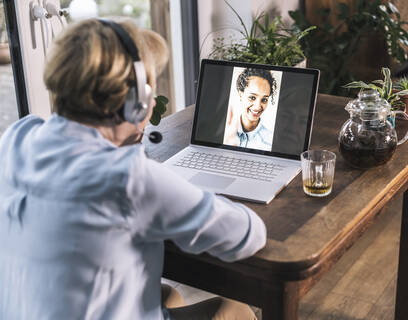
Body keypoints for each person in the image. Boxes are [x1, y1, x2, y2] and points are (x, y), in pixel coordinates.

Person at [0, 19, 265, 320]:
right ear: (136, 102)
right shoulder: (128, 177)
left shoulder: (16, 138)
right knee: (234, 308)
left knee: (168, 294)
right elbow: (247, 236)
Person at [223, 68, 277, 151]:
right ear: (241, 95)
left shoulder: (270, 141)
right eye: (252, 97)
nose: (257, 107)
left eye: (264, 100)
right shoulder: (224, 132)